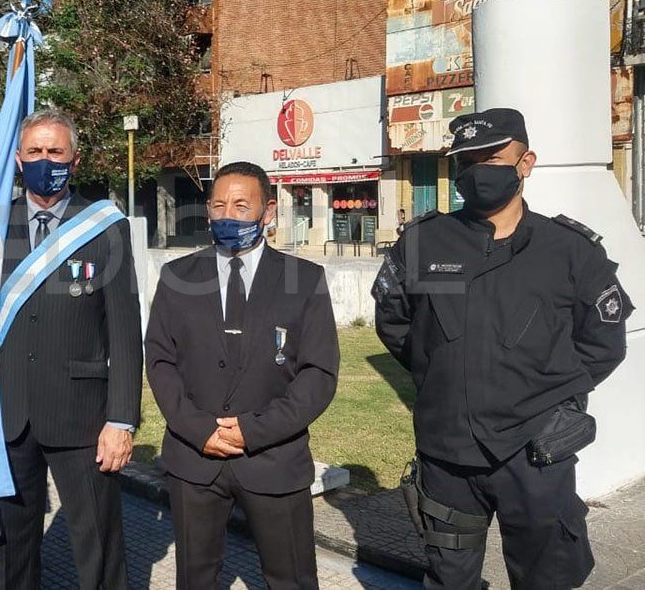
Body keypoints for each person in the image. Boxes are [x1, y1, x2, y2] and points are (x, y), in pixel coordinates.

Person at [373, 108, 632, 590]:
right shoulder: (423, 242)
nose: (478, 172)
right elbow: (396, 324)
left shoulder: (570, 250)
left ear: (526, 162)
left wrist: (549, 396)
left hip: (537, 452)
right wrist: (446, 375)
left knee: (547, 578)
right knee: (448, 578)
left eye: (492, 157)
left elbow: (603, 343)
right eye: (466, 161)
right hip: (447, 453)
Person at [146, 161, 339, 590]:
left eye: (241, 206)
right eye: (218, 206)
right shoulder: (177, 277)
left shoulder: (304, 280)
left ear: (268, 212)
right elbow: (159, 361)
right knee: (195, 579)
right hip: (194, 461)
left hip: (273, 459)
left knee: (291, 579)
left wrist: (252, 431)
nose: (227, 216)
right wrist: (199, 429)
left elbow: (318, 374)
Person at [0, 109, 141, 590]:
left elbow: (124, 331)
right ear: (18, 159)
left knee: (98, 545)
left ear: (75, 159)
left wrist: (121, 420)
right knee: (12, 547)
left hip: (83, 419)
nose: (44, 160)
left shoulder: (103, 226)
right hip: (9, 416)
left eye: (55, 151)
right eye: (35, 152)